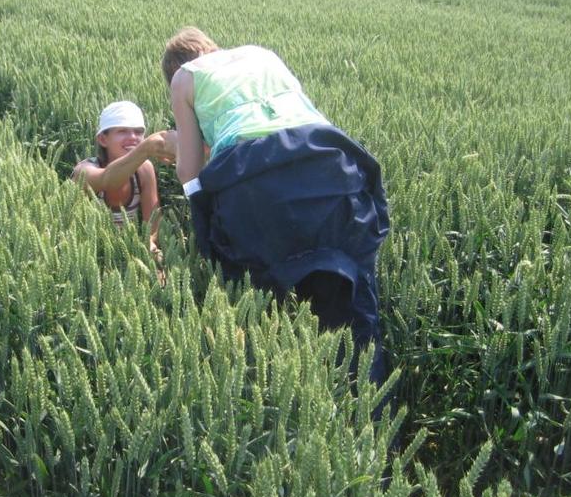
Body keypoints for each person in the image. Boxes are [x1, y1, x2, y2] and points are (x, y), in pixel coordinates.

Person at [162, 28, 391, 385]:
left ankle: (286, 399)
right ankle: (372, 420)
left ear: (174, 67)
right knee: (355, 305)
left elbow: (189, 173)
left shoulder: (184, 78)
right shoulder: (261, 54)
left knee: (262, 312)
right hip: (332, 168)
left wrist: (178, 146)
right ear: (213, 48)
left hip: (256, 188)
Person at [72, 100, 174, 252]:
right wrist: (145, 150)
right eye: (122, 131)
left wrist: (150, 248)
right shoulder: (84, 171)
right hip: (85, 253)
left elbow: (152, 225)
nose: (133, 137)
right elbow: (107, 180)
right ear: (103, 139)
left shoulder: (144, 170)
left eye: (138, 131)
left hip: (127, 255)